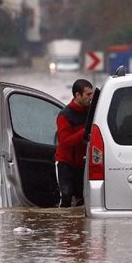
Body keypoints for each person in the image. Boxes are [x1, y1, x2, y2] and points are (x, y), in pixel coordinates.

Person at [56, 79, 94, 207]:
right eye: (88, 94)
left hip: (84, 163)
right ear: (77, 95)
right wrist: (85, 130)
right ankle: (65, 226)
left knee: (82, 199)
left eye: (92, 94)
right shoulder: (64, 116)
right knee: (66, 197)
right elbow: (65, 142)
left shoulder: (92, 112)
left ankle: (81, 227)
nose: (91, 97)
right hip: (66, 164)